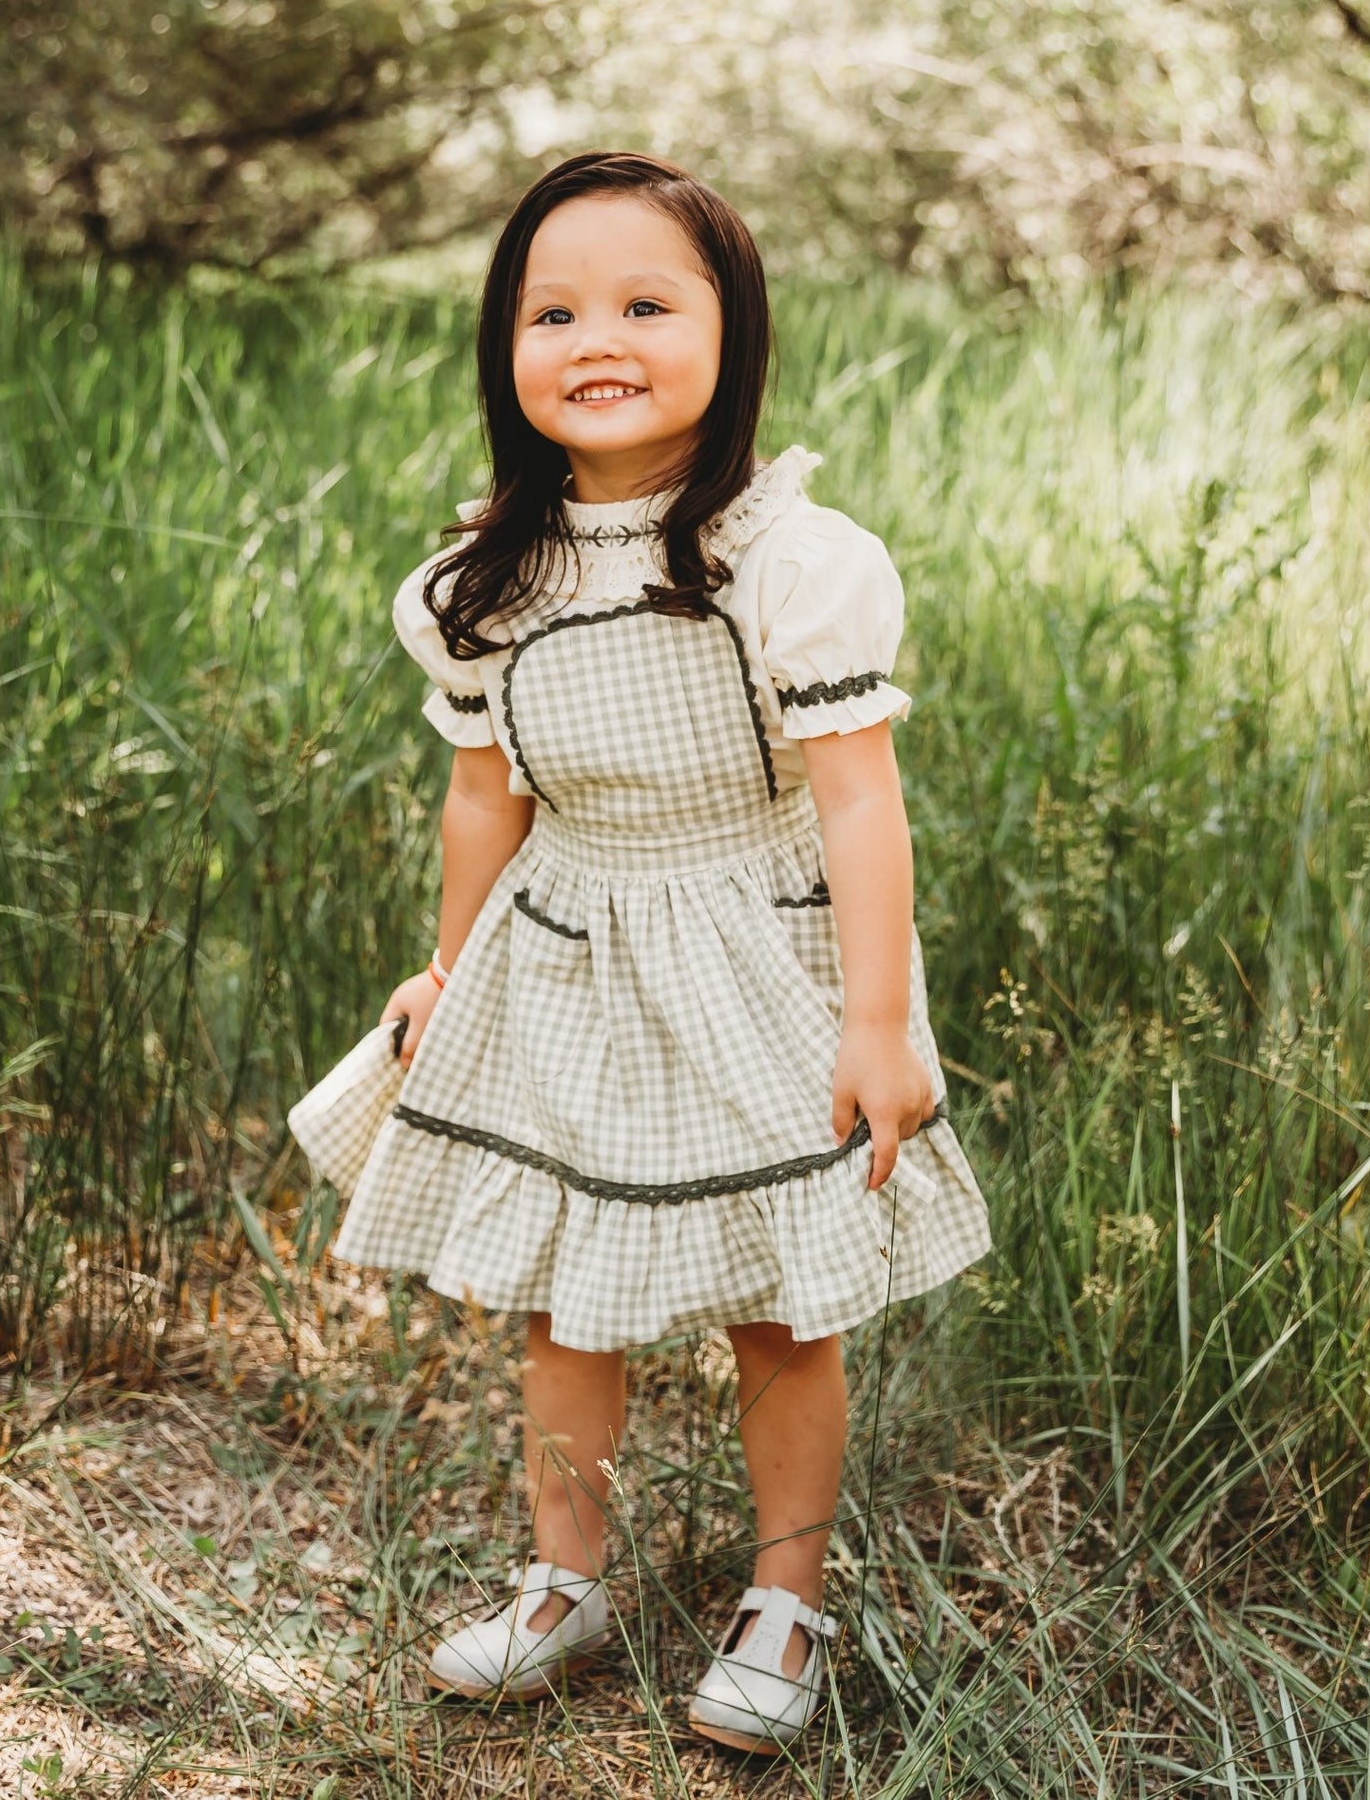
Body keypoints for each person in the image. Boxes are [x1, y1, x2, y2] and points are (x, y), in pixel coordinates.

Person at [333, 149, 991, 1754]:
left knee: (780, 1305)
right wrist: (446, 964)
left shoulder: (787, 557)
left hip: (751, 950)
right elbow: (481, 801)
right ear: (505, 347)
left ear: (730, 330)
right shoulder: (484, 578)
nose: (595, 336)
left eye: (645, 301)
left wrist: (877, 1018)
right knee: (572, 1303)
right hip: (566, 953)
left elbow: (857, 803)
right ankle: (567, 1580)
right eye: (552, 309)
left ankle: (786, 1600)